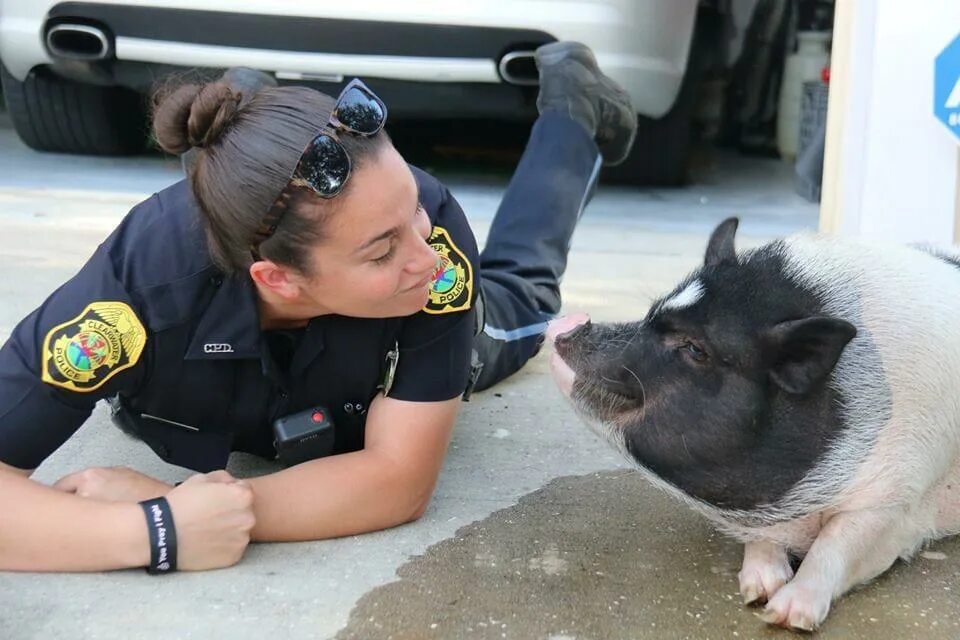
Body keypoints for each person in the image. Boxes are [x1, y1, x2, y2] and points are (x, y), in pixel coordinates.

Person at [0, 42, 637, 572]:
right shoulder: (133, 300)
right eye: (383, 249)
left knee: (521, 304)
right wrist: (155, 534)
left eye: (411, 207)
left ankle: (574, 111)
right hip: (237, 286)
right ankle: (246, 116)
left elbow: (398, 479)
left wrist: (189, 504)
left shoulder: (430, 243)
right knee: (252, 215)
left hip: (379, 326)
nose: (429, 256)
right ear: (277, 279)